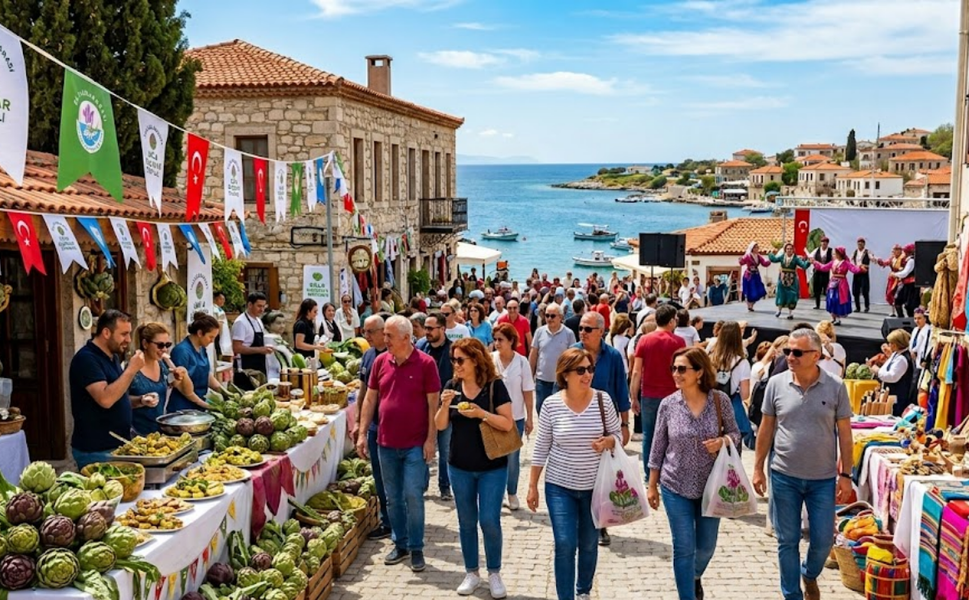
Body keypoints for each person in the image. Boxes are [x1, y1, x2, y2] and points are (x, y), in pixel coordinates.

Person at [752, 328, 853, 600]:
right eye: (787, 351)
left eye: (797, 352)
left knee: (822, 541)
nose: (790, 356)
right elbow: (766, 429)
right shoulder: (776, 383)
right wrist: (758, 467)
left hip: (822, 478)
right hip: (784, 475)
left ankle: (809, 574)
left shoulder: (835, 386)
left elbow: (845, 434)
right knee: (787, 541)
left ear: (816, 355)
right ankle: (792, 595)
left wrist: (846, 475)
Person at [647, 347, 741, 600]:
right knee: (683, 547)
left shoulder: (719, 401)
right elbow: (658, 446)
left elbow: (736, 433)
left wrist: (722, 442)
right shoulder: (668, 405)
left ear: (699, 372)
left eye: (682, 369)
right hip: (675, 484)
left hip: (712, 487)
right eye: (673, 368)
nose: (675, 374)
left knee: (706, 547)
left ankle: (695, 575)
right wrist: (652, 485)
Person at [527, 349, 621, 600]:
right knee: (565, 543)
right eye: (580, 370)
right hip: (560, 486)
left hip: (595, 487)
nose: (587, 374)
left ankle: (584, 591)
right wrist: (532, 485)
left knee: (589, 544)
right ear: (565, 374)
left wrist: (609, 441)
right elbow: (541, 445)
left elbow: (619, 435)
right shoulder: (551, 404)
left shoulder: (603, 400)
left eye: (590, 369)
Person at [356, 315, 441, 572]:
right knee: (392, 498)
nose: (385, 340)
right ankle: (400, 543)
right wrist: (361, 433)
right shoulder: (380, 361)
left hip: (415, 444)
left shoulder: (426, 364)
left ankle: (416, 548)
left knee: (413, 496)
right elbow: (370, 400)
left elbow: (432, 405)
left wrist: (430, 440)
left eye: (390, 336)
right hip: (385, 443)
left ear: (406, 338)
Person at [436, 338, 515, 599]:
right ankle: (471, 572)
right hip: (459, 465)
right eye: (453, 360)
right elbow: (439, 425)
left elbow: (506, 423)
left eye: (460, 360)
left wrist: (481, 413)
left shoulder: (494, 386)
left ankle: (494, 572)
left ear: (475, 360)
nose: (455, 365)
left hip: (492, 466)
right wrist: (445, 404)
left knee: (489, 521)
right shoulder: (451, 386)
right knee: (466, 521)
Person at [574, 310, 631, 547]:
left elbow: (620, 390)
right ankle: (581, 520)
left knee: (603, 476)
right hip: (577, 420)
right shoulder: (573, 353)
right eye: (581, 328)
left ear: (601, 331)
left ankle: (600, 523)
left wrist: (625, 424)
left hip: (603, 423)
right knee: (581, 475)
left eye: (588, 329)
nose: (583, 333)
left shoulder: (614, 356)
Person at [70, 310, 144, 468]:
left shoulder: (113, 357)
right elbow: (105, 399)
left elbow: (117, 394)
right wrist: (131, 370)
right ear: (106, 332)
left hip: (117, 446)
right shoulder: (86, 359)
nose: (128, 340)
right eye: (124, 334)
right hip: (96, 450)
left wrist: (139, 401)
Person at [630, 304, 686, 470]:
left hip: (649, 394)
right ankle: (670, 471)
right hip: (673, 394)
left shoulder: (644, 340)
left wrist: (633, 396)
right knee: (672, 435)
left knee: (649, 435)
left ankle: (649, 473)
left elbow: (636, 371)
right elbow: (683, 370)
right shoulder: (679, 341)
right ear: (670, 322)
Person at [354, 316, 393, 540]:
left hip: (394, 428)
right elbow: (363, 393)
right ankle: (386, 521)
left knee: (393, 479)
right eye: (365, 332)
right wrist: (359, 422)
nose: (366, 337)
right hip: (375, 426)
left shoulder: (392, 356)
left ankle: (399, 520)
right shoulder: (368, 355)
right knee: (379, 476)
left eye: (370, 332)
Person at [492, 322, 535, 511]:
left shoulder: (521, 361)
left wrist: (530, 417)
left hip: (515, 417)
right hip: (492, 417)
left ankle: (511, 492)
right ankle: (497, 493)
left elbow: (527, 391)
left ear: (511, 341)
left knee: (512, 457)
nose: (497, 343)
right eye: (495, 340)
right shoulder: (490, 359)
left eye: (501, 340)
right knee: (494, 456)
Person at [415, 313, 455, 500]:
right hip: (422, 408)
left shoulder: (453, 351)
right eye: (426, 328)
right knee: (424, 446)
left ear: (443, 329)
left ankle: (444, 486)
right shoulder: (420, 347)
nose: (427, 332)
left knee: (445, 449)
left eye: (431, 328)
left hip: (444, 408)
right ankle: (422, 485)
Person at [129, 322, 189, 435]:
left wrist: (182, 373)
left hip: (158, 432)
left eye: (168, 345)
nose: (165, 349)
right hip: (135, 434)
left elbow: (187, 391)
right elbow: (120, 400)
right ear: (145, 344)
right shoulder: (132, 367)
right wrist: (141, 400)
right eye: (160, 345)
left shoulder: (163, 366)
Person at [708, 321, 753, 449]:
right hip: (729, 407)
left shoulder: (709, 357)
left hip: (709, 405)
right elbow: (745, 394)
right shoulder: (742, 362)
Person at [169, 313, 225, 412]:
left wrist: (224, 392)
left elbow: (205, 374)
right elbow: (179, 385)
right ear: (200, 333)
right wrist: (204, 404)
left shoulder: (202, 348)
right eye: (210, 337)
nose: (212, 341)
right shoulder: (182, 351)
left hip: (198, 405)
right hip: (183, 407)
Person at [529, 303, 576, 415]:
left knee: (559, 413)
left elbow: (573, 358)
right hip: (542, 381)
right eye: (547, 315)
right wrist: (529, 375)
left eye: (553, 316)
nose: (549, 319)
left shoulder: (569, 334)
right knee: (541, 410)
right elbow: (534, 354)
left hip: (560, 381)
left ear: (560, 317)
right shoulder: (539, 332)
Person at [812, 246, 864, 326]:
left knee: (838, 300)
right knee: (831, 299)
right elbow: (824, 267)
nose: (834, 254)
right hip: (833, 283)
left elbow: (854, 269)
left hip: (841, 284)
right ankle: (833, 317)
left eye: (835, 253)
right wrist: (815, 262)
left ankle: (838, 319)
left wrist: (860, 268)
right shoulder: (833, 262)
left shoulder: (846, 263)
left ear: (839, 254)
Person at [231, 292, 272, 389]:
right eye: (259, 306)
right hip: (245, 370)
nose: (262, 309)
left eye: (263, 306)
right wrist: (260, 350)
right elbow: (237, 348)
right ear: (250, 305)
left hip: (259, 367)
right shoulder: (241, 322)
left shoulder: (258, 320)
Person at [869, 329, 914, 416]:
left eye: (892, 343)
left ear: (898, 343)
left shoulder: (902, 359)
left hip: (897, 397)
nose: (889, 345)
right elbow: (884, 369)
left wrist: (877, 371)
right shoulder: (895, 354)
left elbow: (892, 377)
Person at [770, 243, 810, 319]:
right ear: (785, 250)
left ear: (793, 250)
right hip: (782, 278)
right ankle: (779, 310)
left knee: (791, 295)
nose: (789, 250)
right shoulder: (782, 257)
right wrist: (771, 254)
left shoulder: (796, 259)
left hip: (792, 279)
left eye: (790, 249)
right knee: (781, 294)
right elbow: (774, 260)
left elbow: (804, 266)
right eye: (787, 249)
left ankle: (790, 313)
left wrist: (809, 262)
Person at [739, 242, 771, 311]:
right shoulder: (748, 256)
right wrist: (740, 260)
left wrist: (770, 260)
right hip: (749, 276)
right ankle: (749, 305)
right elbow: (742, 262)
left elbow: (764, 263)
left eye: (757, 247)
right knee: (750, 291)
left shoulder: (759, 256)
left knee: (759, 290)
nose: (757, 249)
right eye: (755, 247)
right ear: (752, 248)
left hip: (756, 276)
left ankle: (752, 305)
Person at [876, 244, 905, 316]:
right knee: (890, 294)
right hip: (892, 279)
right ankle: (893, 312)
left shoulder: (903, 258)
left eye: (895, 250)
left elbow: (905, 268)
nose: (894, 252)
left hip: (900, 279)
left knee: (898, 295)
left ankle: (901, 312)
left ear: (900, 251)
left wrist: (901, 269)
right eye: (893, 250)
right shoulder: (892, 258)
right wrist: (879, 261)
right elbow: (884, 263)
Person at [891, 244, 919, 318]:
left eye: (904, 251)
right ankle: (901, 318)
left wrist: (895, 274)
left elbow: (905, 273)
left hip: (911, 286)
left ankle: (911, 320)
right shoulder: (908, 260)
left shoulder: (911, 260)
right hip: (905, 284)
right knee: (897, 300)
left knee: (910, 305)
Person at [809, 237, 833, 310]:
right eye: (822, 242)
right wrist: (812, 261)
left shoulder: (831, 250)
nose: (824, 243)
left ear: (827, 243)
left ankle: (828, 305)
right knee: (817, 289)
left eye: (825, 242)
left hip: (826, 272)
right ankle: (817, 305)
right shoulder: (817, 250)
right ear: (820, 243)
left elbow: (833, 259)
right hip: (817, 272)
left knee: (826, 289)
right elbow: (810, 257)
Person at [851, 237, 872, 313]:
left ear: (864, 244)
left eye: (861, 243)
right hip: (856, 273)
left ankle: (867, 306)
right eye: (858, 243)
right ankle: (857, 307)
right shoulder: (855, 252)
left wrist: (874, 259)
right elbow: (851, 260)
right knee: (855, 291)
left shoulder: (867, 252)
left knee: (865, 290)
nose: (860, 244)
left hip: (864, 273)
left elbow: (871, 258)